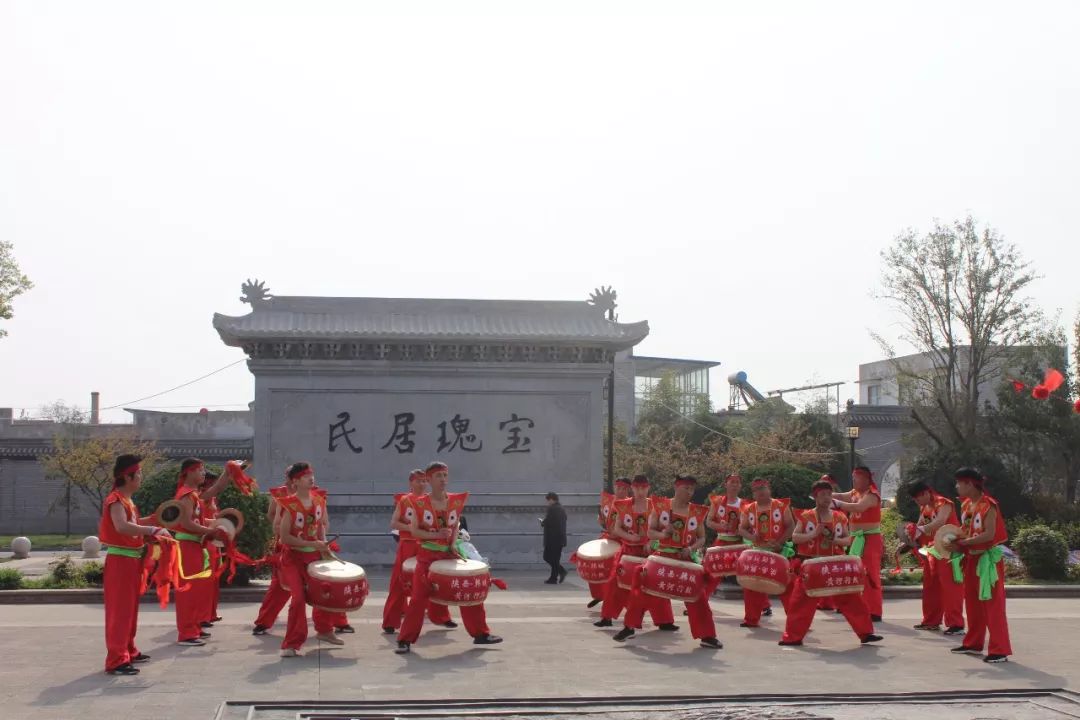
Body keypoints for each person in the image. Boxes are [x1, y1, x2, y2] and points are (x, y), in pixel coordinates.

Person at [396, 462, 502, 654]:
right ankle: (405, 639)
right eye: (439, 476)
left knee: (468, 588)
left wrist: (452, 543)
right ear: (429, 480)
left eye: (445, 475)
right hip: (427, 556)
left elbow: (456, 524)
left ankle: (481, 633)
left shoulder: (455, 501)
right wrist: (437, 536)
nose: (443, 480)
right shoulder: (419, 503)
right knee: (419, 599)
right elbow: (415, 531)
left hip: (449, 553)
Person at [612, 475, 722, 649]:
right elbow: (650, 532)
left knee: (698, 597)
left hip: (684, 558)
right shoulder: (661, 506)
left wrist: (692, 548)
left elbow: (702, 538)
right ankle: (629, 627)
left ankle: (707, 635)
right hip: (662, 556)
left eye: (692, 489)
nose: (689, 492)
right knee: (640, 591)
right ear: (676, 487)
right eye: (686, 488)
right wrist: (664, 534)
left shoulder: (697, 511)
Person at [778, 479, 882, 647]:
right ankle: (792, 637)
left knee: (852, 599)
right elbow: (795, 537)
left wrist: (836, 541)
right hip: (811, 566)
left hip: (835, 565)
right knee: (800, 603)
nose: (826, 498)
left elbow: (848, 540)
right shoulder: (806, 516)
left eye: (829, 494)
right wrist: (813, 535)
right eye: (822, 494)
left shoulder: (840, 517)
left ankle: (866, 633)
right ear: (815, 497)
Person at [100, 454, 172, 675]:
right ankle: (116, 659)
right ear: (127, 476)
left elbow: (132, 524)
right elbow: (121, 527)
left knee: (129, 609)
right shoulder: (115, 500)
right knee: (120, 611)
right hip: (120, 561)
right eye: (138, 474)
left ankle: (128, 650)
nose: (141, 477)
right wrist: (151, 530)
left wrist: (152, 521)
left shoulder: (127, 501)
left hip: (131, 559)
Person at [275, 462, 347, 657]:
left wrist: (323, 544)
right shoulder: (289, 505)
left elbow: (321, 527)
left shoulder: (319, 502)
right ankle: (291, 643)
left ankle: (325, 631)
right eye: (306, 476)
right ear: (295, 481)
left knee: (326, 592)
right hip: (293, 558)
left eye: (311, 474)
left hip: (314, 557)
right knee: (298, 599)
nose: (311, 478)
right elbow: (284, 538)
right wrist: (313, 544)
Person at [595, 475, 677, 629]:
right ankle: (607, 617)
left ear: (648, 488)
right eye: (637, 488)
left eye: (643, 488)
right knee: (615, 583)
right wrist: (629, 537)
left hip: (649, 552)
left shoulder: (654, 506)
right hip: (628, 550)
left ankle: (665, 621)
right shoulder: (624, 505)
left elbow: (662, 528)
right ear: (632, 488)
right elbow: (617, 528)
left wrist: (652, 540)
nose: (640, 491)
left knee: (656, 584)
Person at [381, 469, 456, 633]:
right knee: (399, 581)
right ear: (411, 483)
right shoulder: (405, 500)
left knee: (435, 579)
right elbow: (394, 523)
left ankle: (442, 616)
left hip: (429, 545)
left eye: (424, 481)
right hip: (408, 544)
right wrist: (411, 527)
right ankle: (391, 621)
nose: (422, 484)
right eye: (418, 481)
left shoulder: (429, 501)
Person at [950, 467, 1011, 663]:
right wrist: (951, 539)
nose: (957, 487)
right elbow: (965, 530)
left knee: (992, 606)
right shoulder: (966, 505)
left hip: (987, 561)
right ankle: (973, 643)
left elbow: (989, 534)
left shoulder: (988, 505)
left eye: (960, 483)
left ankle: (999, 650)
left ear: (970, 484)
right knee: (973, 604)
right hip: (971, 559)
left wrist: (964, 543)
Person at [173, 457, 230, 646]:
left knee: (197, 590)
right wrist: (211, 531)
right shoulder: (185, 494)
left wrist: (219, 526)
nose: (203, 473)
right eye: (200, 470)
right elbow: (186, 523)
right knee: (188, 591)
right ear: (188, 472)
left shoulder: (194, 495)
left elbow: (198, 521)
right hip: (187, 547)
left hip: (197, 546)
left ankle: (194, 627)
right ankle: (186, 633)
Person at [908, 481, 965, 635]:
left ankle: (956, 624)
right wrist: (907, 539)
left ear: (926, 493)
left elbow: (939, 521)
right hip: (932, 551)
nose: (917, 501)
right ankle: (931, 621)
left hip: (948, 549)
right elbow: (918, 526)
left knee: (950, 587)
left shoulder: (944, 503)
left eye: (917, 498)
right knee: (930, 587)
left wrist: (920, 529)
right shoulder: (924, 507)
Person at [737, 478, 795, 628]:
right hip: (758, 551)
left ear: (769, 489)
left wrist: (780, 542)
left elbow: (790, 526)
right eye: (757, 490)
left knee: (787, 586)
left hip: (779, 551)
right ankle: (751, 619)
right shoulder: (749, 509)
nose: (760, 492)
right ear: (753, 493)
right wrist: (751, 537)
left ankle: (796, 621)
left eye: (763, 488)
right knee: (752, 586)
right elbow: (741, 528)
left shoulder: (781, 506)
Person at [832, 466, 884, 621]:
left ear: (866, 479)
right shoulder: (855, 493)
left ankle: (874, 610)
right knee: (854, 573)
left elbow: (859, 507)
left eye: (857, 477)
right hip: (856, 539)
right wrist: (825, 494)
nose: (854, 480)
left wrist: (837, 504)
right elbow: (841, 495)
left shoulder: (872, 494)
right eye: (853, 477)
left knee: (870, 575)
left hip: (870, 539)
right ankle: (856, 606)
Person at [252, 467, 296, 635]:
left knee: (322, 583)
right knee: (279, 585)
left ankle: (336, 622)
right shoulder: (279, 494)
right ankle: (263, 622)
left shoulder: (312, 494)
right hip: (285, 544)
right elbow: (271, 515)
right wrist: (281, 530)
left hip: (308, 544)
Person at [199, 471, 223, 629]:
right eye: (210, 482)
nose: (212, 485)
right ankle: (203, 616)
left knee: (214, 581)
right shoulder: (201, 496)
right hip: (205, 542)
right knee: (206, 582)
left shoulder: (212, 499)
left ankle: (211, 613)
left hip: (214, 543)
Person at [541, 491, 568, 584]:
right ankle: (554, 578)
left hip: (553, 539)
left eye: (548, 500)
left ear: (552, 499)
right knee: (555, 559)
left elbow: (548, 521)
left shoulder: (552, 509)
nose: (547, 502)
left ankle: (561, 572)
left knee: (547, 557)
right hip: (560, 538)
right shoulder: (562, 508)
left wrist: (543, 522)